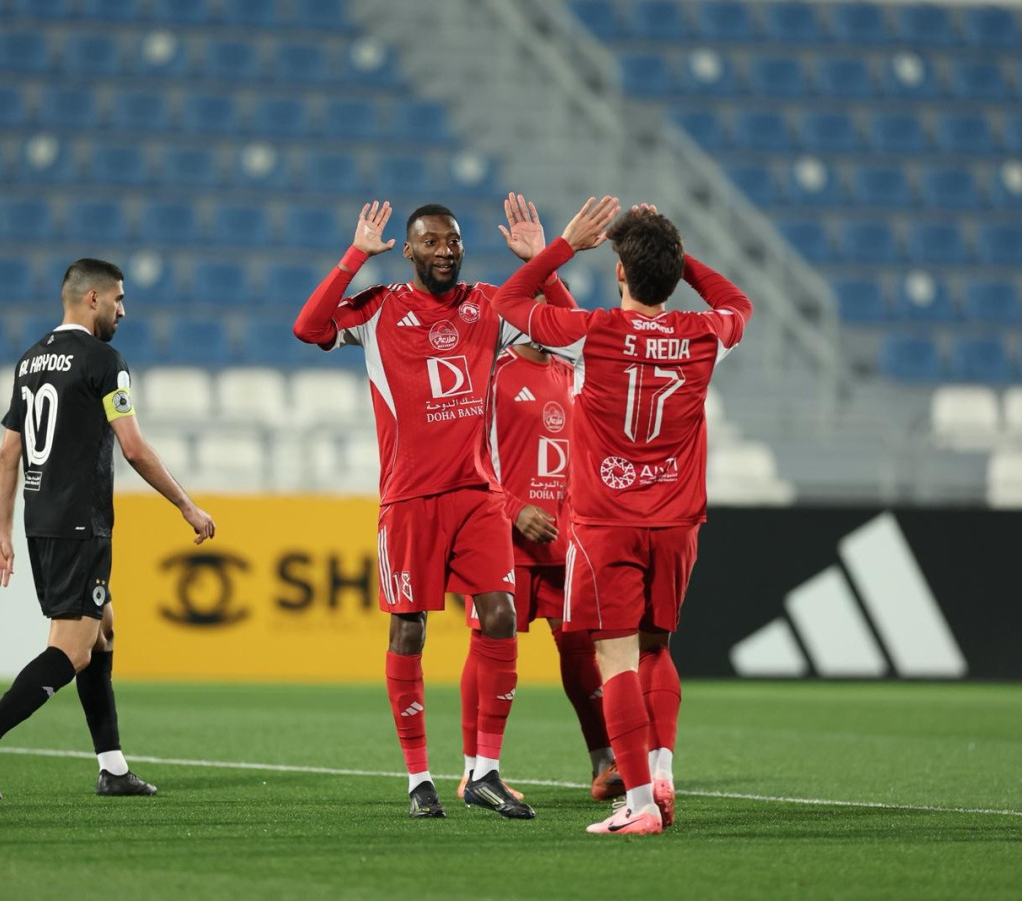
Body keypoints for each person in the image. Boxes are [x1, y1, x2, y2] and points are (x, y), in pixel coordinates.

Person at [292, 194, 576, 820]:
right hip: (409, 497)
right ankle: (419, 777)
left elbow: (573, 334)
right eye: (431, 242)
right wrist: (354, 257)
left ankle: (486, 772)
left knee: (499, 617)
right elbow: (310, 328)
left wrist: (543, 266)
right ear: (410, 250)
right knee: (410, 629)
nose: (445, 251)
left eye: (452, 241)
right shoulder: (379, 309)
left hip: (477, 494)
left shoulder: (490, 304)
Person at [492, 199, 753, 836]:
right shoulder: (703, 335)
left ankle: (637, 805)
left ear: (618, 273)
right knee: (658, 647)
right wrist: (672, 256)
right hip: (678, 519)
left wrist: (560, 248)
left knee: (615, 661)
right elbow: (739, 304)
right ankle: (659, 768)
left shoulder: (596, 332)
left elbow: (509, 303)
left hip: (607, 519)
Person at [0, 258, 216, 800]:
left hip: (39, 518)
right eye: (118, 299)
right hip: (79, 522)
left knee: (103, 629)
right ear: (92, 299)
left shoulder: (30, 361)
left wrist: (0, 531)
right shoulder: (103, 360)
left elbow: (8, 451)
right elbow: (133, 447)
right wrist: (186, 505)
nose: (123, 310)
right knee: (74, 650)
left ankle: (112, 767)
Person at [458, 322, 621, 803]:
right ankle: (474, 771)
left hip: (567, 539)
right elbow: (468, 455)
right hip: (502, 535)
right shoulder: (491, 373)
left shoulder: (574, 374)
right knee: (489, 641)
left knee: (578, 647)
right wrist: (513, 509)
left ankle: (604, 761)